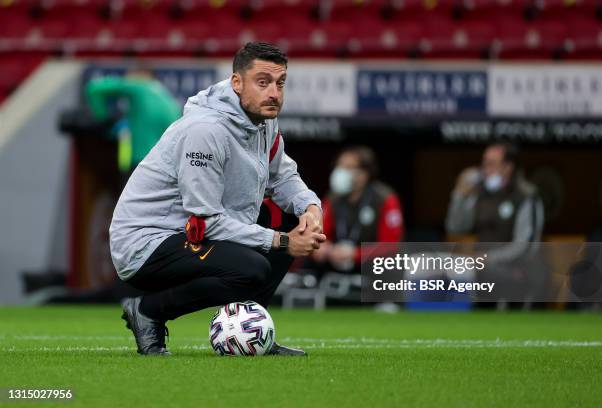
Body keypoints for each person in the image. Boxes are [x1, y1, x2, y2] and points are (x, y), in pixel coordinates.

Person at [112, 42, 325, 356]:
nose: (274, 93)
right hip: (146, 242)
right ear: (237, 83)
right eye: (263, 82)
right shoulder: (205, 130)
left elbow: (283, 176)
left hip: (191, 233)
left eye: (280, 83)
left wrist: (310, 207)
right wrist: (281, 241)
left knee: (292, 224)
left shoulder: (265, 121)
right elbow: (206, 221)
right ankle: (148, 311)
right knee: (254, 264)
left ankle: (253, 333)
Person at [445, 143, 545, 302]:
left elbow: (524, 246)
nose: (484, 169)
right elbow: (455, 227)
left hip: (518, 270)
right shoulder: (479, 192)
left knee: (480, 272)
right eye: (483, 163)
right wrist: (459, 195)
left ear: (507, 167)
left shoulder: (526, 196)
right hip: (482, 265)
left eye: (491, 164)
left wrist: (488, 258)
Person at [311, 146, 404, 275]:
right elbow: (321, 233)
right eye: (339, 166)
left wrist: (355, 254)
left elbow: (390, 246)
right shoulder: (332, 198)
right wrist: (321, 247)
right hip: (335, 268)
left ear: (364, 173)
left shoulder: (385, 198)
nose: (341, 172)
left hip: (372, 271)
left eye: (348, 167)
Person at [85, 69, 182, 173]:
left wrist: (103, 118)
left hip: (139, 161)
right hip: (164, 165)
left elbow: (94, 88)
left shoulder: (138, 87)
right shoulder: (170, 100)